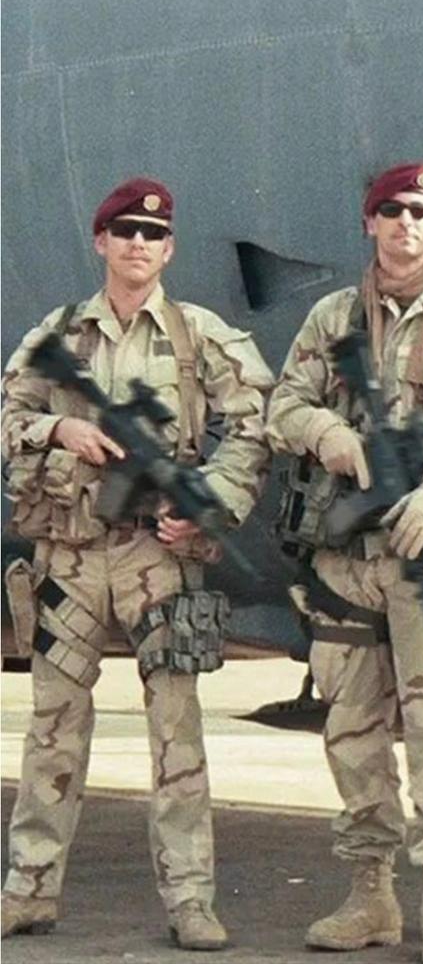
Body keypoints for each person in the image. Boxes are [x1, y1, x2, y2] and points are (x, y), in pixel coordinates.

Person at [0, 177, 274, 950]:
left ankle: (190, 900)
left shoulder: (199, 337)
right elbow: (9, 414)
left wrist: (209, 500)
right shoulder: (60, 335)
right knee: (53, 727)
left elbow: (256, 424)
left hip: (159, 556)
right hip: (71, 557)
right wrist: (58, 432)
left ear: (169, 248)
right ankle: (28, 890)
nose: (138, 244)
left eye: (152, 234)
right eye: (124, 231)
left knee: (176, 730)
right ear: (101, 242)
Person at [265, 162, 423, 964]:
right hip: (347, 556)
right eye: (390, 211)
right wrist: (329, 435)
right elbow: (284, 405)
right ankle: (371, 893)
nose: (405, 223)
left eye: (419, 211)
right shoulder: (334, 318)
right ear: (369, 224)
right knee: (352, 725)